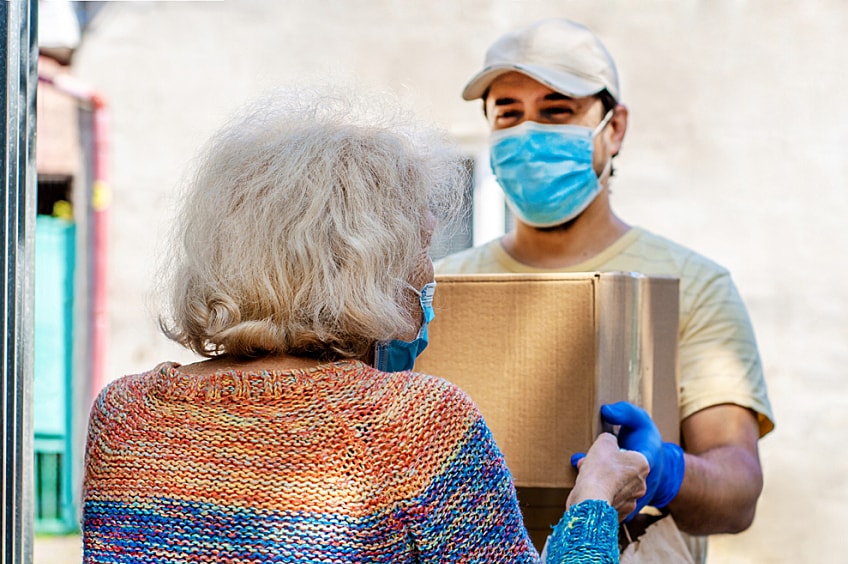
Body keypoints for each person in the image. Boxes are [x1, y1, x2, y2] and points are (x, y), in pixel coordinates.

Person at [82, 86, 657, 563]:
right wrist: (595, 503)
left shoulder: (124, 416)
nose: (430, 271)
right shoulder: (416, 422)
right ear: (365, 262)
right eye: (422, 245)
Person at [436, 18, 775, 563]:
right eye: (508, 114)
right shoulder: (441, 286)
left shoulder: (692, 284)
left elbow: (738, 496)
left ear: (613, 128)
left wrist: (667, 471)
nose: (529, 131)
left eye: (556, 111)